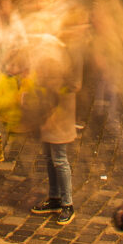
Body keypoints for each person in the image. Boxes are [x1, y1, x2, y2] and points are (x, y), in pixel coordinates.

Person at [20, 46, 77, 224]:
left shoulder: (63, 84)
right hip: (47, 125)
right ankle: (54, 198)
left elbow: (63, 104)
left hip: (59, 126)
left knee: (60, 160)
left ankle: (67, 203)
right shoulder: (45, 78)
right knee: (49, 159)